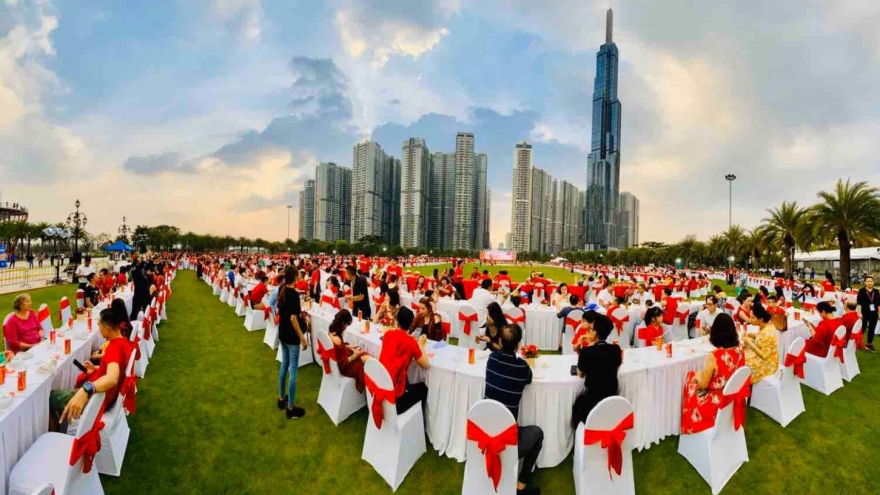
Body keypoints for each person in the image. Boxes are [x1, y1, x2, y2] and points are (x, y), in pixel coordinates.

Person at [50, 307, 134, 432]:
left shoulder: (113, 348)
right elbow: (115, 368)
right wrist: (95, 369)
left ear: (107, 327)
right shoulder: (124, 343)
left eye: (99, 324)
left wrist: (87, 390)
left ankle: (56, 434)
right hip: (105, 396)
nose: (98, 327)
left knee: (51, 397)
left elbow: (112, 378)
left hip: (98, 400)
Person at [483, 324, 542, 495]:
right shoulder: (522, 368)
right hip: (507, 439)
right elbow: (529, 379)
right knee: (538, 434)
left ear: (500, 341)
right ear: (518, 345)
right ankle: (521, 485)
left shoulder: (492, 359)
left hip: (485, 432)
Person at [680, 313, 744, 434]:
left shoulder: (714, 356)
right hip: (732, 396)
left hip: (716, 402)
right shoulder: (739, 349)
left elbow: (703, 385)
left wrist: (697, 375)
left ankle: (689, 425)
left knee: (690, 380)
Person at [572, 314, 622, 427]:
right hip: (611, 396)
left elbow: (580, 373)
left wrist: (584, 349)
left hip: (592, 400)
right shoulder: (616, 349)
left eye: (590, 329)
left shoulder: (587, 352)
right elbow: (616, 364)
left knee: (576, 406)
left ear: (595, 333)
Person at [377, 307, 430, 414]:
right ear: (410, 324)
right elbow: (426, 364)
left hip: (381, 387)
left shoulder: (388, 335)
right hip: (395, 399)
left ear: (397, 321)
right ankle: (420, 422)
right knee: (423, 388)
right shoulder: (411, 342)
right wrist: (420, 344)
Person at [277, 266, 309, 419]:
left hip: (282, 333)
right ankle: (290, 408)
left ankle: (282, 398)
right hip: (290, 335)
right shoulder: (293, 294)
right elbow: (293, 319)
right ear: (295, 277)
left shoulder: (282, 290)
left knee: (284, 365)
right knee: (293, 370)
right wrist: (302, 338)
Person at [326, 310, 367, 393]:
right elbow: (343, 363)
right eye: (347, 325)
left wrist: (349, 347)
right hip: (344, 367)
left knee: (362, 354)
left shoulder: (331, 331)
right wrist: (355, 355)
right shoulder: (337, 340)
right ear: (343, 323)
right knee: (366, 358)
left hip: (337, 361)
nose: (346, 327)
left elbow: (338, 349)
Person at [741, 302, 779, 383]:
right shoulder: (765, 325)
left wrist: (749, 343)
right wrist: (750, 335)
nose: (750, 320)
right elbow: (761, 337)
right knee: (741, 355)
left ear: (761, 319)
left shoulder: (767, 332)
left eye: (753, 318)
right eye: (750, 317)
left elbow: (764, 356)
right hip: (767, 357)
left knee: (742, 364)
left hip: (768, 364)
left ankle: (744, 386)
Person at [856, 276, 879, 352]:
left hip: (874, 312)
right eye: (868, 281)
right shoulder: (861, 291)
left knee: (872, 329)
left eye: (871, 281)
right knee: (862, 328)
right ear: (865, 282)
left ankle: (869, 344)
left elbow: (878, 304)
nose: (869, 283)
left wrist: (879, 313)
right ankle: (858, 343)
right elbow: (859, 303)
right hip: (864, 312)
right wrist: (859, 313)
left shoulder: (876, 291)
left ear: (873, 282)